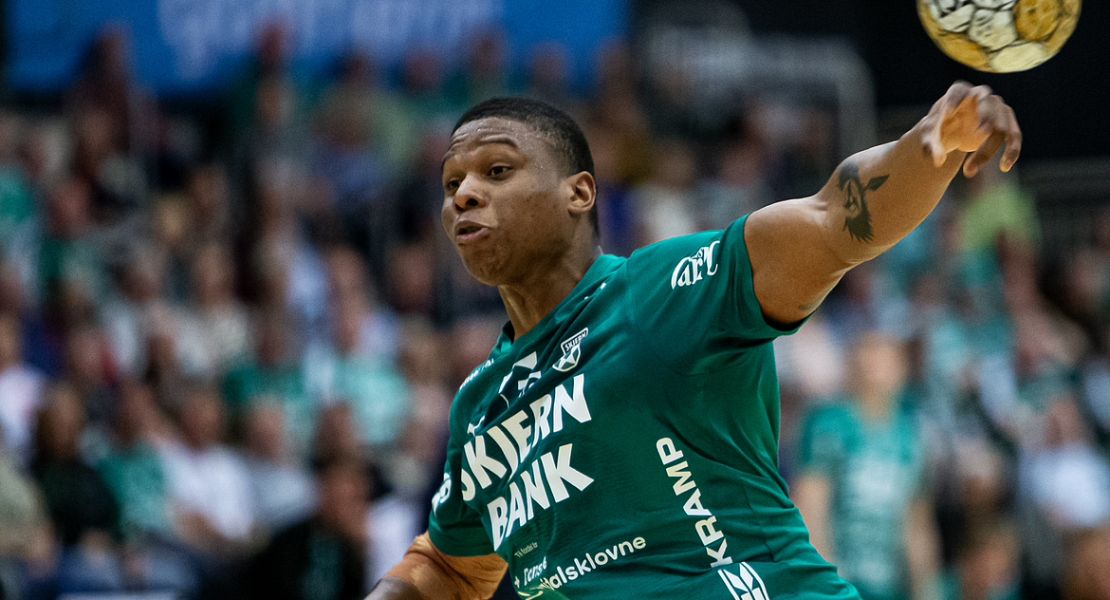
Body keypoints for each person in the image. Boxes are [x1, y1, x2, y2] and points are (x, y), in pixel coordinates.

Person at [368, 82, 1022, 599]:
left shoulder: (664, 291)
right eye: (451, 183)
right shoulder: (480, 407)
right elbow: (448, 570)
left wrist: (928, 147)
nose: (465, 194)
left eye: (496, 170)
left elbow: (835, 220)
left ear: (579, 193)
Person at [793, 333, 940, 599]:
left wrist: (926, 589)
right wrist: (825, 582)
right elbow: (810, 508)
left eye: (883, 358)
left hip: (888, 587)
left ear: (902, 369)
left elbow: (916, 524)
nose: (873, 366)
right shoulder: (829, 423)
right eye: (866, 354)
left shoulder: (911, 437)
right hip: (839, 581)